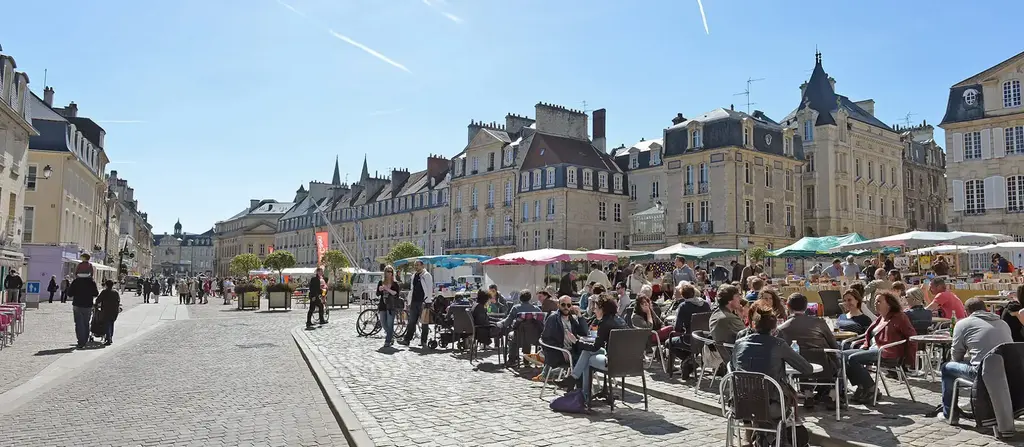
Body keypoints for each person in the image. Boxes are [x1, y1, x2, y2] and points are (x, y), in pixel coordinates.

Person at [927, 298, 1013, 419]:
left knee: (947, 368)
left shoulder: (963, 324)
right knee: (975, 361)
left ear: (966, 311)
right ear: (986, 309)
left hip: (983, 372)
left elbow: (956, 356)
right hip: (1008, 370)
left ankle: (949, 413)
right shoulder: (1003, 323)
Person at [732, 301, 814, 417]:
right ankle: (787, 429)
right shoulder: (778, 345)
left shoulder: (739, 343)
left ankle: (754, 430)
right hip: (771, 405)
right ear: (775, 328)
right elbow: (807, 369)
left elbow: (732, 367)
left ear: (754, 324)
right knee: (791, 395)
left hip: (740, 404)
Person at [842, 291, 917, 405]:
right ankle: (862, 386)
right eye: (875, 301)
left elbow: (912, 337)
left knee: (853, 358)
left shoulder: (899, 317)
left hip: (887, 352)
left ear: (889, 304)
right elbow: (869, 335)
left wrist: (909, 360)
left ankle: (871, 388)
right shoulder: (880, 318)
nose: (876, 304)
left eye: (879, 301)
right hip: (872, 349)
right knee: (842, 355)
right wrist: (864, 344)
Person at [559, 294, 625, 398]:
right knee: (586, 352)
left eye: (596, 308)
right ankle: (574, 380)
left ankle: (584, 393)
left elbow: (595, 347)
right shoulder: (620, 320)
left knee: (588, 358)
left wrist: (576, 341)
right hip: (628, 362)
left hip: (612, 362)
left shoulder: (604, 323)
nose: (594, 311)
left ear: (602, 309)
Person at [400, 260, 434, 346]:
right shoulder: (414, 276)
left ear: (422, 266)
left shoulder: (426, 275)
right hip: (414, 302)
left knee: (424, 322)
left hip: (423, 302)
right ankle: (407, 339)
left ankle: (423, 341)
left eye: (418, 265)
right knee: (411, 322)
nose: (416, 267)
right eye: (415, 265)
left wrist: (427, 301)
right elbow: (412, 289)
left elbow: (429, 289)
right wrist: (409, 300)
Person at [67, 268, 100, 349]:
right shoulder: (91, 282)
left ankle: (80, 341)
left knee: (78, 323)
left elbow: (69, 293)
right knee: (86, 323)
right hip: (88, 305)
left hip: (77, 305)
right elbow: (96, 293)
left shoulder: (76, 281)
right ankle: (85, 340)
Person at [376, 266, 402, 347]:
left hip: (391, 305)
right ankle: (391, 336)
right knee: (383, 323)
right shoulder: (381, 282)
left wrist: (387, 289)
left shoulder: (395, 283)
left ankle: (388, 340)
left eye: (390, 271)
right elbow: (377, 293)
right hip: (383, 305)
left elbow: (396, 294)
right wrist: (380, 289)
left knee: (390, 323)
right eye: (387, 271)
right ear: (385, 272)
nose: (389, 273)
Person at [95, 280, 121, 346]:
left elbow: (98, 299)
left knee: (107, 324)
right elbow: (118, 301)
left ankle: (108, 338)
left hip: (106, 311)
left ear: (106, 285)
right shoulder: (116, 292)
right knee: (111, 324)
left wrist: (96, 304)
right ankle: (110, 337)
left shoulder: (104, 292)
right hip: (114, 311)